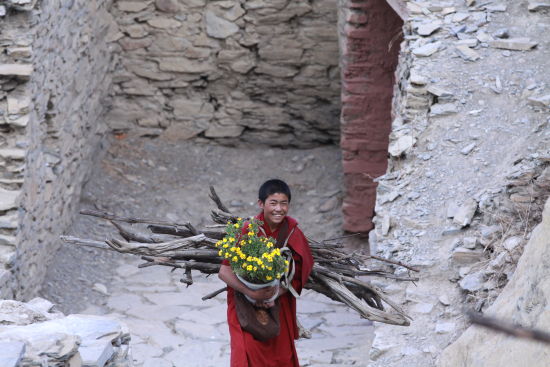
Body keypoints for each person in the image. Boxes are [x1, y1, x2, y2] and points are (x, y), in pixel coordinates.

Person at [218, 179, 314, 367]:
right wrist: (252, 292)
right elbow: (224, 271)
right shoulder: (248, 230)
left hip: (279, 303)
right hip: (244, 302)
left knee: (281, 357)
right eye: (273, 203)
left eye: (283, 203)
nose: (279, 209)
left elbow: (301, 271)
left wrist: (276, 293)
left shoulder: (292, 232)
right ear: (261, 204)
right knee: (246, 352)